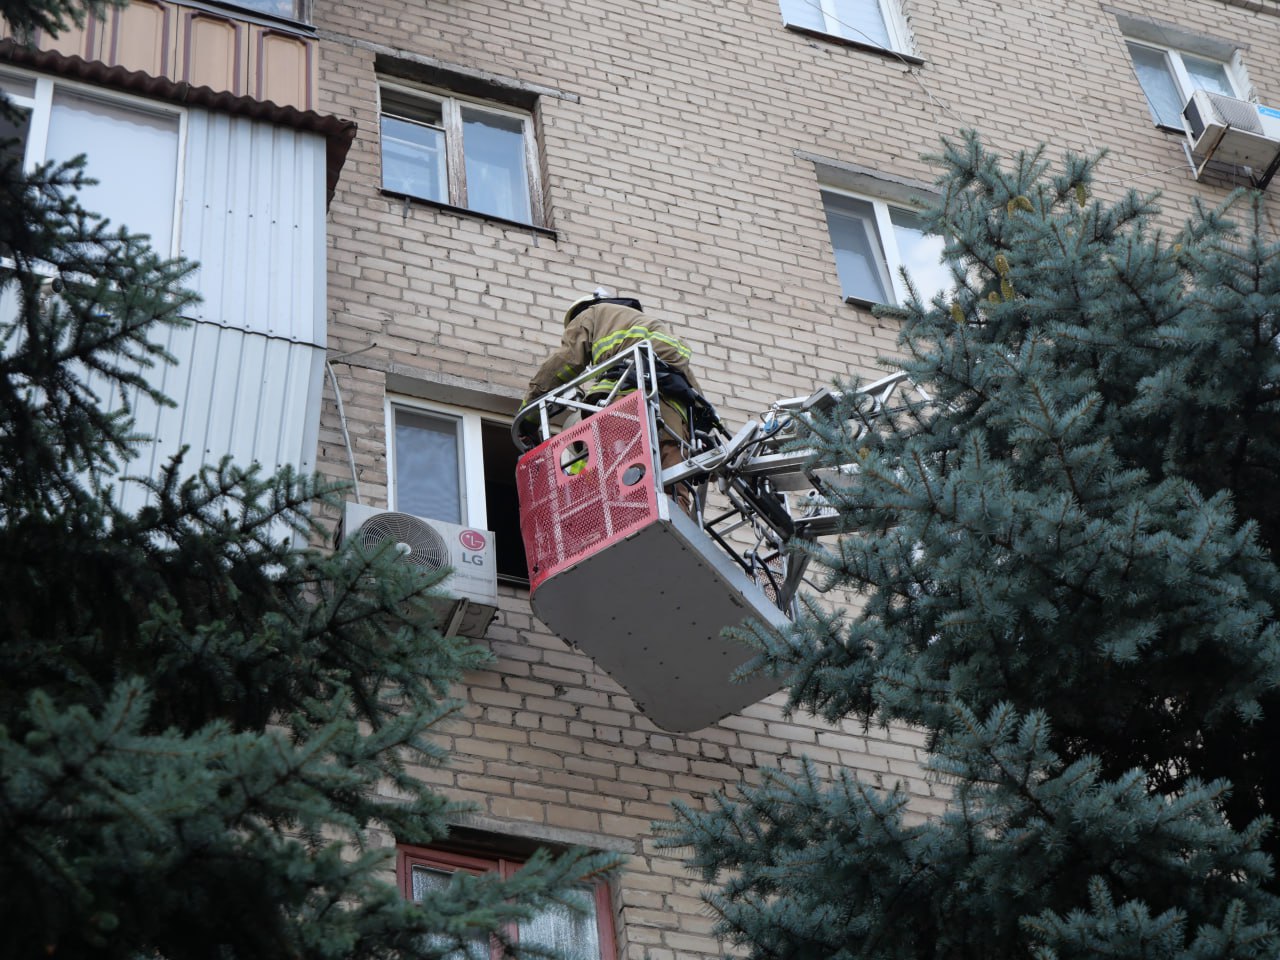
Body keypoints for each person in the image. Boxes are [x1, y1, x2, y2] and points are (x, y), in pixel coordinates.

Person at [520, 293, 707, 508]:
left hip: (627, 404)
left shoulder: (592, 314)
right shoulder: (651, 332)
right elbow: (698, 400)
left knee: (623, 480)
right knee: (673, 490)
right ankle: (673, 529)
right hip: (673, 421)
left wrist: (530, 410)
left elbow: (565, 362)